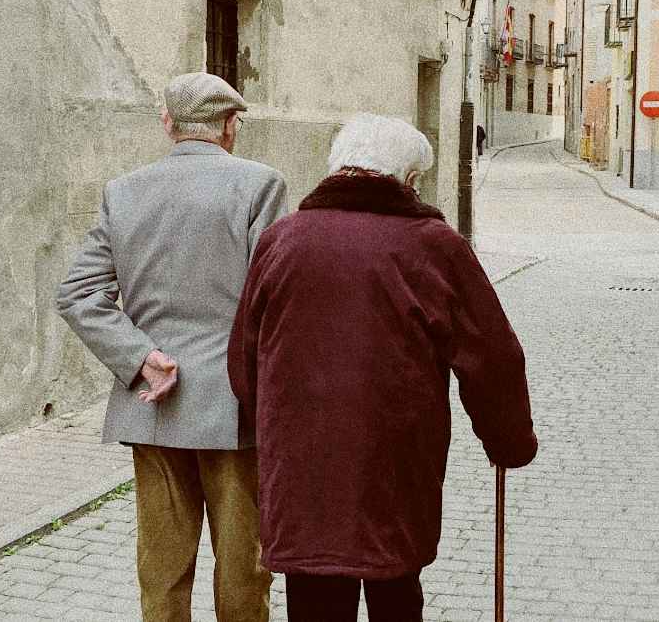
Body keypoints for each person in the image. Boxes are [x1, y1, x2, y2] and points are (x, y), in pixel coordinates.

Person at [227, 113, 539, 622]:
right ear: (410, 180)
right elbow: (493, 357)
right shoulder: (435, 246)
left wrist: (272, 426)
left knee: (313, 595)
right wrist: (508, 440)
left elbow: (245, 356)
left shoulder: (281, 240)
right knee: (396, 589)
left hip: (304, 466)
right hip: (396, 463)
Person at [57, 72, 285, 622]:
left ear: (168, 124)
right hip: (236, 408)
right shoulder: (261, 185)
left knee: (160, 571)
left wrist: (138, 358)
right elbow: (274, 297)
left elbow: (78, 293)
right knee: (242, 570)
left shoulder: (123, 190)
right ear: (231, 127)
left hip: (154, 403)